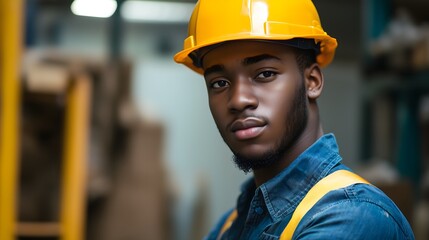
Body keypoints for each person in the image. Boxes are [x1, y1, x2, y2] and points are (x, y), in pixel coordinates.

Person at [174, 0, 415, 239]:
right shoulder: (231, 226)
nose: (238, 100)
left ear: (312, 82)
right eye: (219, 83)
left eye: (265, 74)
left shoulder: (352, 216)